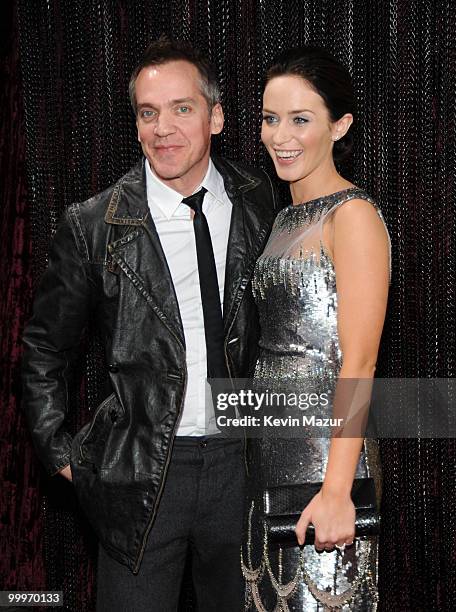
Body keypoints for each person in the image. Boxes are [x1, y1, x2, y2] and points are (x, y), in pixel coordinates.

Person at [22, 38, 277, 612]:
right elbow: (44, 348)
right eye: (147, 112)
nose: (163, 128)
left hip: (243, 469)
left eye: (181, 108)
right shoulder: (94, 224)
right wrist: (60, 452)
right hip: (142, 475)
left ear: (215, 116)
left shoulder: (261, 199)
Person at [241, 47, 390, 610]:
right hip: (270, 464)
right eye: (270, 118)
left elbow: (359, 362)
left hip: (327, 469)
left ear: (340, 125)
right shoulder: (283, 218)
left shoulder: (351, 215)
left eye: (300, 119)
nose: (281, 135)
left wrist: (335, 491)